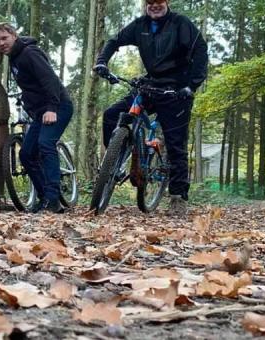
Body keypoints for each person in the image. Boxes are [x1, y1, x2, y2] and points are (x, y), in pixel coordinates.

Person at [93, 0, 208, 216]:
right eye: (150, 2)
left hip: (176, 91)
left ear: (167, 2)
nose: (154, 6)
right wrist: (102, 62)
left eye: (159, 1)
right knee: (111, 115)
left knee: (176, 145)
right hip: (150, 84)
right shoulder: (140, 25)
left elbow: (201, 51)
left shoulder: (181, 24)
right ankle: (113, 162)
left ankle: (178, 197)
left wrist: (191, 86)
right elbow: (114, 41)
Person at [0, 23, 73, 213]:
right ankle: (45, 198)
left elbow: (50, 80)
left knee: (46, 144)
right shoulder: (14, 55)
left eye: (5, 39)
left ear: (14, 35)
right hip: (40, 112)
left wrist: (52, 108)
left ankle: (53, 199)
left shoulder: (30, 53)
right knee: (27, 154)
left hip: (58, 106)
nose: (1, 44)